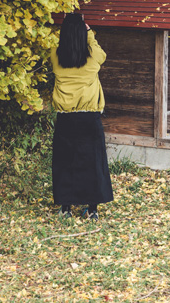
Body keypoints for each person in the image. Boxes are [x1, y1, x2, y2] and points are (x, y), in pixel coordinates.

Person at [50, 12, 114, 219]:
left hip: (65, 118)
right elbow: (101, 53)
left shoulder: (55, 55)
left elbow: (63, 46)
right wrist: (89, 33)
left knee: (65, 162)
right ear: (82, 33)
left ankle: (66, 208)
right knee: (93, 163)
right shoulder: (93, 57)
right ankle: (92, 210)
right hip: (89, 117)